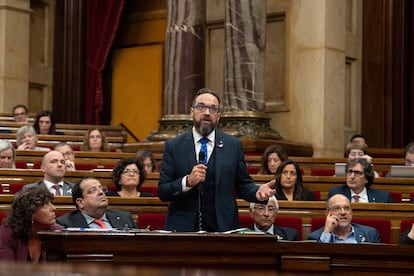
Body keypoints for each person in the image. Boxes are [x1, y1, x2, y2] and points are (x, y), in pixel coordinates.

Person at [158, 88, 276, 232]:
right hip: (183, 228)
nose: (207, 112)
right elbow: (163, 191)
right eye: (201, 107)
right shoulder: (174, 146)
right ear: (192, 112)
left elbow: (243, 184)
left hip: (223, 227)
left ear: (219, 115)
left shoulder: (233, 145)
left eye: (213, 109)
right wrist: (187, 181)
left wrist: (257, 192)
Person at [0, 186, 63, 262]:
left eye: (51, 203)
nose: (53, 208)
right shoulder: (6, 234)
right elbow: (6, 270)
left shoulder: (58, 233)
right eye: (46, 205)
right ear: (30, 212)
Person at [56, 177, 136, 229]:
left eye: (101, 189)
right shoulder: (65, 223)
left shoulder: (125, 217)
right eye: (93, 190)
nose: (101, 192)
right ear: (80, 202)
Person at [308, 194, 381, 243]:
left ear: (351, 212)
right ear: (327, 214)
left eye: (346, 208)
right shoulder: (315, 238)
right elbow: (318, 263)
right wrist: (326, 233)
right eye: (336, 208)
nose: (343, 212)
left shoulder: (370, 234)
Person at [327, 158, 392, 203]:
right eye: (349, 172)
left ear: (366, 178)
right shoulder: (336, 193)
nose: (352, 176)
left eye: (357, 173)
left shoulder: (383, 197)